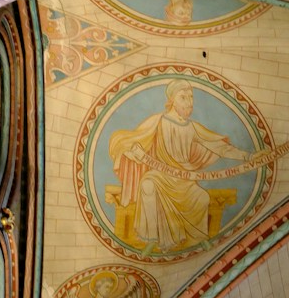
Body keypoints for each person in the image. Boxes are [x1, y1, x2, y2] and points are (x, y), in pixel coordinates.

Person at [106, 80, 249, 255]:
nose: (189, 102)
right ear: (172, 99)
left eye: (191, 98)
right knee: (148, 184)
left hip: (184, 179)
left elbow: (219, 147)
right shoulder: (157, 121)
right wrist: (131, 152)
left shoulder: (192, 127)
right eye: (183, 97)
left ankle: (199, 238)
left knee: (202, 197)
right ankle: (152, 239)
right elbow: (135, 140)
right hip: (160, 175)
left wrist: (247, 156)